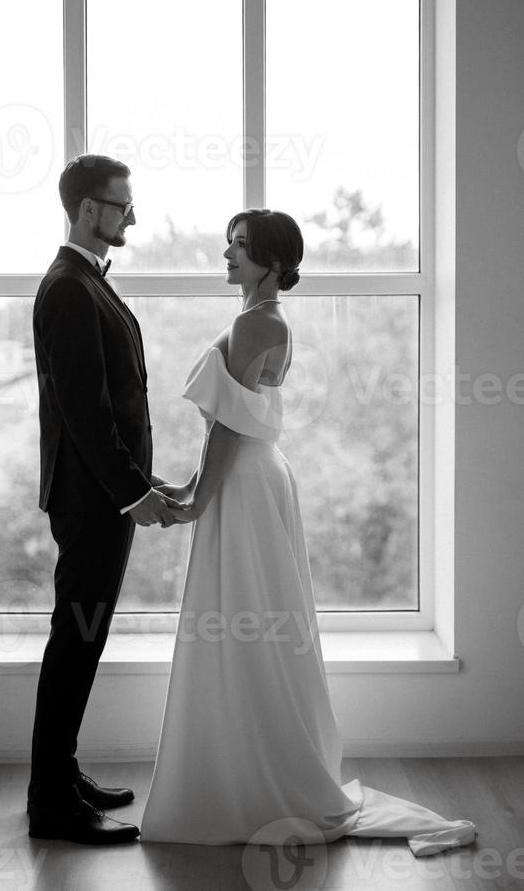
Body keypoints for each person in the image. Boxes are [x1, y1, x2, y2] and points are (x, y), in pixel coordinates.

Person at [140, 209, 477, 856]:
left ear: (271, 261)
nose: (227, 255)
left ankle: (244, 781)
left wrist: (193, 502)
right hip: (258, 477)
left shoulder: (252, 322)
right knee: (256, 619)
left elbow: (230, 426)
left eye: (240, 247)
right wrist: (189, 486)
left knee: (243, 617)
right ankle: (259, 769)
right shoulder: (270, 320)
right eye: (229, 243)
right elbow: (233, 424)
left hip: (243, 480)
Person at [28, 154, 180, 846]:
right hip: (92, 502)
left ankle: (60, 775)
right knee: (76, 640)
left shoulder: (86, 282)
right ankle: (51, 804)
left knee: (81, 640)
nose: (133, 217)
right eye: (122, 206)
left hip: (102, 498)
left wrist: (141, 486)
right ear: (89, 209)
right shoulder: (68, 288)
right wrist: (131, 495)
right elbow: (86, 413)